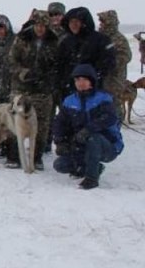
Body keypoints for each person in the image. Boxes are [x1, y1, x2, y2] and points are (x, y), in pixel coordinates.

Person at [52, 64, 123, 190]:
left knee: (93, 138)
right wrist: (60, 141)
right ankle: (90, 167)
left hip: (107, 145)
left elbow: (109, 118)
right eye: (77, 80)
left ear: (91, 81)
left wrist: (88, 129)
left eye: (84, 79)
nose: (80, 83)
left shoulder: (103, 99)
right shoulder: (69, 101)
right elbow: (60, 123)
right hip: (81, 145)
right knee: (60, 165)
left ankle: (92, 178)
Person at [9, 10, 59, 169]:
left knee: (42, 124)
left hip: (43, 89)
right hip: (21, 87)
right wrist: (23, 73)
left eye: (44, 25)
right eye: (38, 25)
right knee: (14, 120)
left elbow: (58, 64)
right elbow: (11, 60)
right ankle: (15, 156)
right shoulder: (22, 38)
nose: (40, 29)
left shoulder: (54, 40)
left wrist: (47, 77)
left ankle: (36, 157)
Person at [97, 10, 132, 122]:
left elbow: (126, 56)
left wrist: (109, 62)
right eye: (100, 21)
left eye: (103, 21)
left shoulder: (119, 39)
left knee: (113, 107)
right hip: (100, 80)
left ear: (109, 22)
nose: (100, 23)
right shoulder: (99, 37)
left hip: (113, 82)